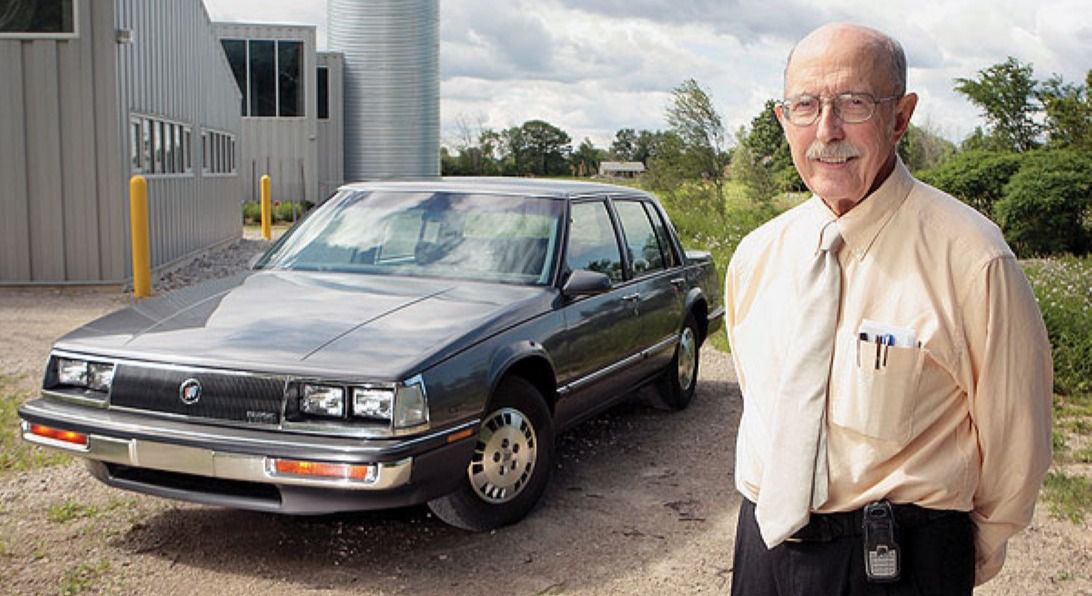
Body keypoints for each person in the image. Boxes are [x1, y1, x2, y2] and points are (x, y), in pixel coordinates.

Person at [724, 23, 1053, 595]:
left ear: (900, 117)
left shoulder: (973, 258)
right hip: (763, 552)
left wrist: (952, 558)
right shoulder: (757, 256)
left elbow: (1016, 442)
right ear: (784, 120)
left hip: (898, 563)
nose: (826, 131)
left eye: (852, 104)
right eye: (805, 106)